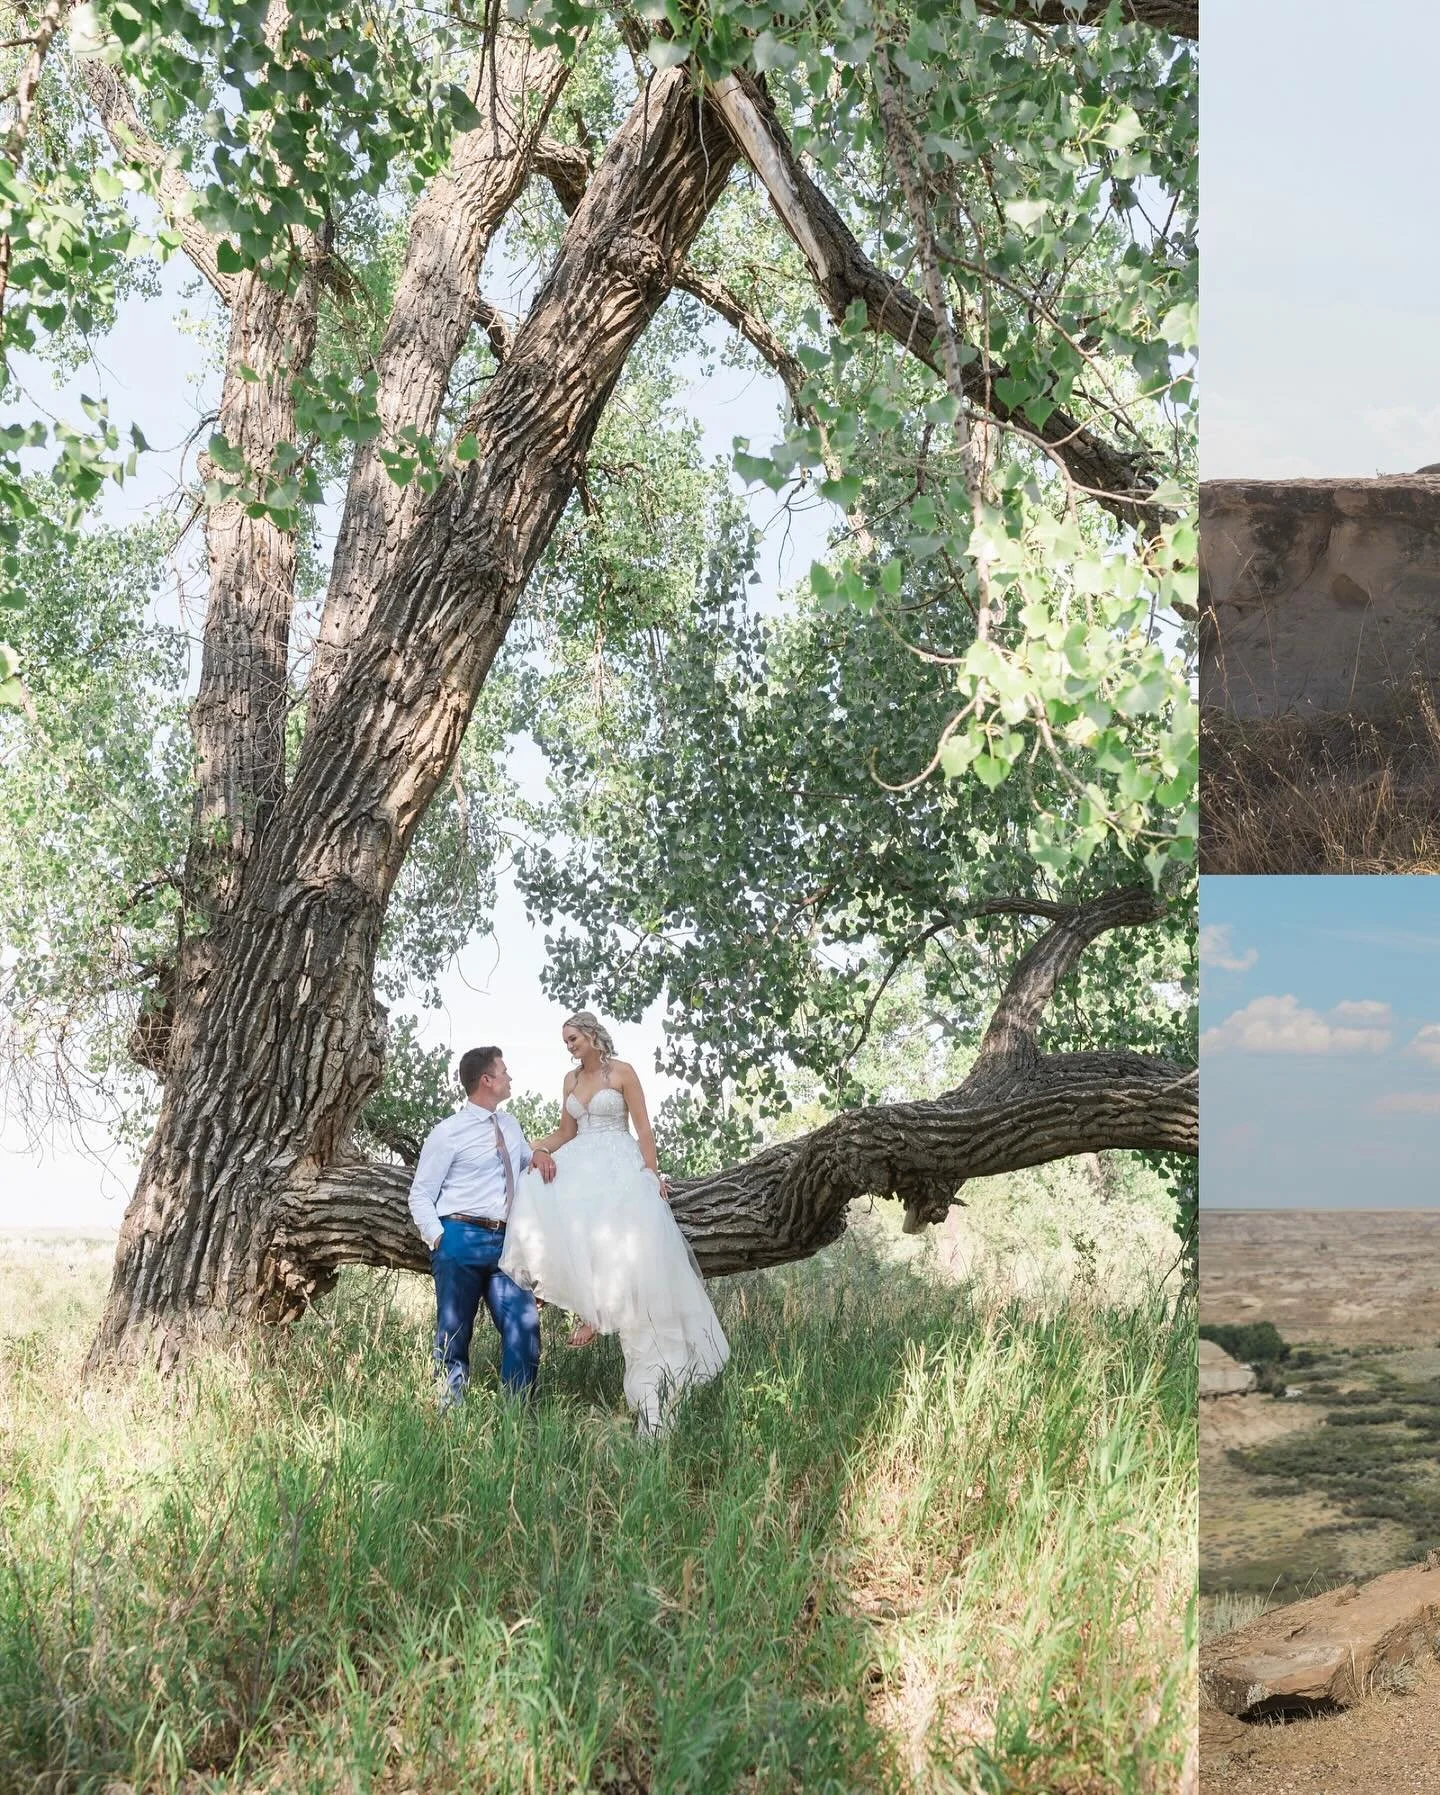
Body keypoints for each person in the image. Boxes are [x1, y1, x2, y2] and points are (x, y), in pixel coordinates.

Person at [500, 1011, 729, 1434]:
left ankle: (626, 1344)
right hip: (580, 1162)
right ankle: (590, 1308)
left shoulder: (623, 1073)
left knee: (625, 1244)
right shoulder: (569, 1081)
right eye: (565, 1040)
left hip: (618, 1165)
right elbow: (565, 1132)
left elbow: (643, 1128)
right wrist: (536, 1148)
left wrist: (651, 1172)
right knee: (543, 1193)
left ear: (591, 1035)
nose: (568, 1045)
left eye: (573, 1038)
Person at [407, 1045, 557, 1407]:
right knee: (454, 1333)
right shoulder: (448, 1133)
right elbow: (420, 1194)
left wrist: (539, 1153)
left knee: (525, 1328)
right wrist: (440, 1238)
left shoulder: (510, 1125)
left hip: (507, 1243)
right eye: (504, 1072)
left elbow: (524, 1163)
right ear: (486, 1081)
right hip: (460, 1237)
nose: (510, 1078)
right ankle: (448, 1417)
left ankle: (515, 1421)